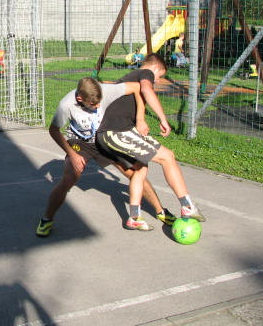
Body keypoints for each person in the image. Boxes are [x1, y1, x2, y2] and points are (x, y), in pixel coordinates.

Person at [36, 76, 175, 237]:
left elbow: (137, 87)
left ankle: (160, 211)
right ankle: (46, 219)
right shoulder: (66, 105)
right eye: (93, 104)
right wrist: (72, 155)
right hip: (80, 142)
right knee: (70, 176)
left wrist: (140, 119)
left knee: (136, 172)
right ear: (80, 99)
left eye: (99, 102)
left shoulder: (105, 90)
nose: (98, 106)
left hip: (104, 137)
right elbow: (54, 130)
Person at [97, 54, 204, 231]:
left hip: (113, 133)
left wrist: (140, 119)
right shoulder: (145, 72)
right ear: (154, 68)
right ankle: (187, 206)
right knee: (167, 157)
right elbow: (147, 89)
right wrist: (163, 119)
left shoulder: (129, 77)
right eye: (159, 76)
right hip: (117, 132)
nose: (158, 80)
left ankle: (134, 217)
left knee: (140, 168)